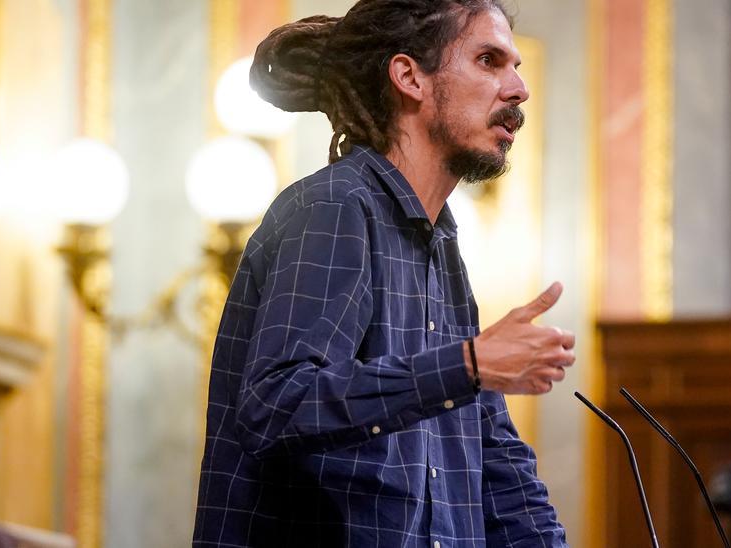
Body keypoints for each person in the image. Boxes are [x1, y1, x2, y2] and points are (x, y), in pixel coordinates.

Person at [192, 2, 573, 546]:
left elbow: (497, 464)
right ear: (409, 78)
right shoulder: (334, 207)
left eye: (516, 66)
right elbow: (277, 405)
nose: (519, 90)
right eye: (489, 60)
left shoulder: (443, 245)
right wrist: (465, 366)